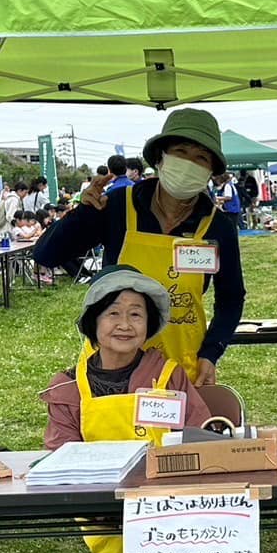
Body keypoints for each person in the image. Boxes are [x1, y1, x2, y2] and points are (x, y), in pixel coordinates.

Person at [41, 266, 225, 553]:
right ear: (93, 322)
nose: (124, 324)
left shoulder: (169, 375)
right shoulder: (68, 386)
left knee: (190, 537)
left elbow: (203, 434)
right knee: (125, 548)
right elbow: (59, 454)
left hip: (173, 500)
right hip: (107, 508)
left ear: (149, 325)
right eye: (113, 313)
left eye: (136, 314)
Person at [34, 109, 245, 387]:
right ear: (160, 158)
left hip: (179, 371)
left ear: (210, 170)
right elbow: (47, 255)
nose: (189, 164)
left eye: (201, 158)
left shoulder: (217, 227)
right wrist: (84, 213)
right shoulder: (118, 206)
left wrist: (211, 352)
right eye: (181, 152)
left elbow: (231, 298)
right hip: (111, 370)